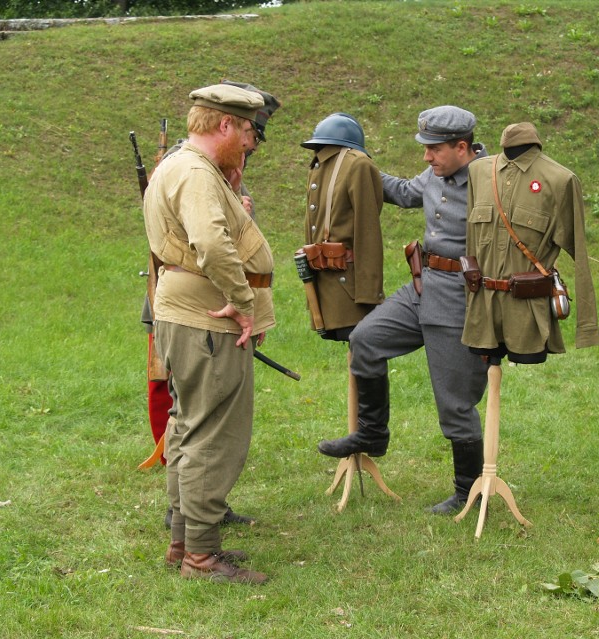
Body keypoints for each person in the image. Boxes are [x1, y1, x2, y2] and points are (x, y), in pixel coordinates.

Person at [316, 105, 490, 515]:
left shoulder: (490, 182)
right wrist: (350, 160)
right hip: (422, 287)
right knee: (366, 340)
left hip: (462, 299)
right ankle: (373, 434)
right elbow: (404, 192)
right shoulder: (434, 175)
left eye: (433, 149)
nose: (426, 157)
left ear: (461, 147)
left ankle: (468, 489)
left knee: (455, 402)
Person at [143, 83, 274, 584]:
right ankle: (200, 556)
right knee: (212, 435)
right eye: (244, 130)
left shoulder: (181, 166)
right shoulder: (196, 173)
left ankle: (185, 543)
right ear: (224, 124)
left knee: (189, 426)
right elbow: (213, 245)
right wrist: (244, 304)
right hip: (208, 319)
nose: (248, 140)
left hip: (189, 313)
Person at [462, 122, 599, 360]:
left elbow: (581, 259)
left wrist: (586, 328)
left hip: (526, 318)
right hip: (482, 317)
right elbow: (472, 245)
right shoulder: (478, 171)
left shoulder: (560, 181)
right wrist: (470, 307)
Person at [300, 112, 384, 341]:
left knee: (365, 352)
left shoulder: (357, 165)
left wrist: (368, 293)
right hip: (330, 280)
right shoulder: (320, 165)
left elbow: (368, 232)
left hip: (349, 284)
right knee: (360, 349)